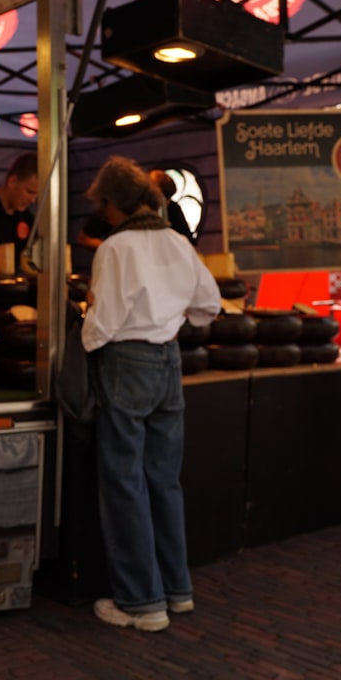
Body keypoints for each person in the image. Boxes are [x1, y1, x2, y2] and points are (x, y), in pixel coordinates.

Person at [81, 156, 220, 632]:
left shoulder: (115, 248)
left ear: (111, 204)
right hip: (168, 361)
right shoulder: (179, 243)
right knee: (164, 479)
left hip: (127, 361)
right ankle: (176, 591)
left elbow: (102, 325)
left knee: (124, 482)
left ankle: (142, 603)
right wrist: (170, 317)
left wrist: (86, 340)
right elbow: (209, 307)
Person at [148, 169, 196, 246]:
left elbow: (189, 242)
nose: (166, 202)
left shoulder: (173, 208)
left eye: (168, 198)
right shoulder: (143, 212)